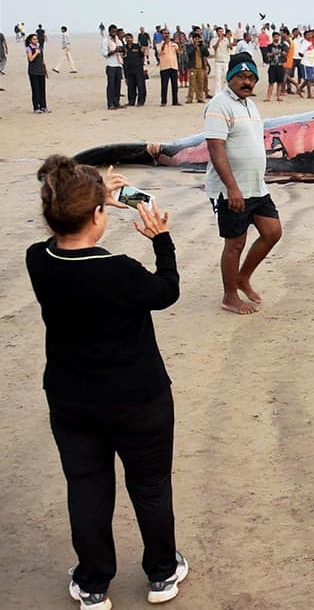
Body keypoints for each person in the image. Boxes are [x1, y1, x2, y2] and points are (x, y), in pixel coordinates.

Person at [25, 156, 187, 609]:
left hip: (72, 399)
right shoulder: (120, 270)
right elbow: (167, 291)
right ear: (99, 214)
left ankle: (93, 582)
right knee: (151, 486)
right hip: (140, 398)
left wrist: (91, 192)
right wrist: (162, 239)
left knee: (87, 487)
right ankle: (161, 574)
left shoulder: (39, 258)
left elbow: (61, 224)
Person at [204, 53, 282, 315]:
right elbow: (216, 150)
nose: (246, 82)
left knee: (272, 232)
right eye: (241, 76)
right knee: (235, 243)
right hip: (232, 189)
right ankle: (229, 297)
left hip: (256, 187)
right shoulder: (219, 105)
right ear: (230, 77)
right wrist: (232, 188)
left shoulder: (249, 104)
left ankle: (242, 277)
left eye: (251, 77)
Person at [25, 33, 49, 113]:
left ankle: (43, 106)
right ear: (30, 40)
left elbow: (42, 60)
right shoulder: (29, 48)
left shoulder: (39, 48)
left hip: (41, 71)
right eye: (34, 39)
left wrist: (45, 70)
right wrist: (36, 53)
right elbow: (30, 59)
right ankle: (36, 107)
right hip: (33, 71)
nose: (36, 40)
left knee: (42, 89)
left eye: (36, 39)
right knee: (35, 90)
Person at [101, 24, 123, 110]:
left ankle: (116, 102)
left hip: (118, 64)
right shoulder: (105, 40)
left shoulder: (118, 40)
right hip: (110, 65)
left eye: (115, 31)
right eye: (113, 31)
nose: (114, 33)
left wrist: (121, 50)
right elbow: (105, 54)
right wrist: (114, 51)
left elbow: (121, 50)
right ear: (109, 31)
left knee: (118, 85)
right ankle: (110, 104)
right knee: (111, 85)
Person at [185, 32, 210, 104]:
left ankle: (200, 97)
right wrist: (194, 47)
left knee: (200, 83)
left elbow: (207, 54)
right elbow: (189, 54)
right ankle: (190, 98)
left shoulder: (201, 47)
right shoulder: (189, 46)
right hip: (192, 67)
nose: (197, 40)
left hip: (201, 68)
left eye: (198, 39)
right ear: (192, 39)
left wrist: (202, 46)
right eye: (195, 39)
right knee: (192, 83)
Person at [123, 32, 147, 107]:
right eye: (127, 38)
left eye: (130, 38)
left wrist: (143, 67)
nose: (129, 40)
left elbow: (142, 57)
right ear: (125, 39)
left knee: (141, 86)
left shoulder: (137, 46)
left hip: (138, 69)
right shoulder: (124, 48)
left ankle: (141, 102)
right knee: (131, 86)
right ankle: (131, 101)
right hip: (129, 70)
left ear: (132, 39)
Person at [263, 30, 288, 102]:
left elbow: (285, 53)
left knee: (280, 82)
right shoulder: (269, 46)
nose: (276, 38)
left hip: (280, 65)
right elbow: (267, 54)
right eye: (275, 36)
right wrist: (274, 53)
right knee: (271, 82)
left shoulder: (282, 46)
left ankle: (278, 96)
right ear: (273, 37)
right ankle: (268, 97)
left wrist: (283, 53)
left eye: (278, 36)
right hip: (272, 65)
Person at [158, 33, 181, 106]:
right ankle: (163, 101)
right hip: (164, 67)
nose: (166, 36)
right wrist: (165, 44)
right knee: (164, 85)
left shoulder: (173, 44)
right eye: (165, 35)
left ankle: (175, 101)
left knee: (175, 85)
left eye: (167, 35)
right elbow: (160, 53)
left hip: (173, 66)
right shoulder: (159, 44)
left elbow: (179, 52)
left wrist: (178, 43)